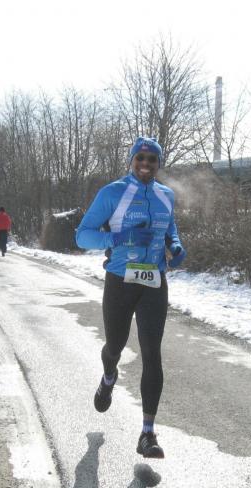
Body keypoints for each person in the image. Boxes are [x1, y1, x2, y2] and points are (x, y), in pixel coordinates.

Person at [75, 136, 186, 459]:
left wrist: (176, 246)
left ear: (159, 163)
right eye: (140, 158)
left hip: (154, 282)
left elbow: (170, 228)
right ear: (132, 160)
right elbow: (82, 236)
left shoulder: (166, 195)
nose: (146, 165)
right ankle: (109, 376)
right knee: (115, 346)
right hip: (120, 281)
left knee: (152, 354)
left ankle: (147, 433)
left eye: (152, 160)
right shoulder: (113, 193)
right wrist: (118, 237)